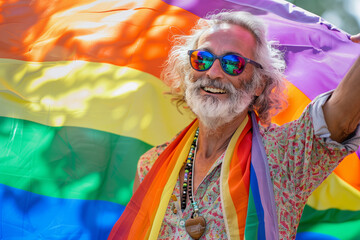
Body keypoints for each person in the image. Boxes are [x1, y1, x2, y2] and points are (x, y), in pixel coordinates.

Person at [109, 11, 360, 240]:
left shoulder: (284, 155)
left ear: (259, 84)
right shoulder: (152, 163)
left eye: (232, 63)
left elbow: (341, 116)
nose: (214, 72)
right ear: (189, 72)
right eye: (202, 59)